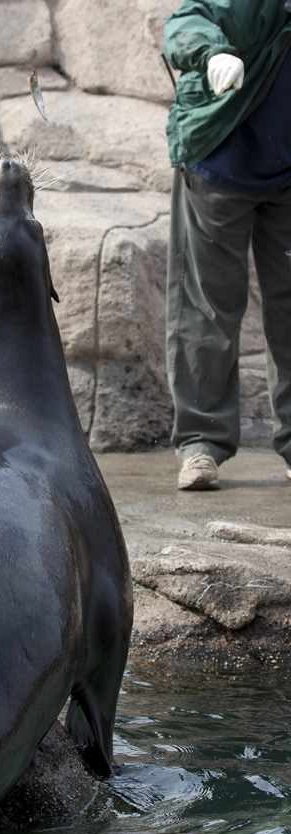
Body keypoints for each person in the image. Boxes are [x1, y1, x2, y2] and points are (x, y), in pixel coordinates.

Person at [163, 0, 291, 490]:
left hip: (286, 167)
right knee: (206, 308)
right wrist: (213, 51)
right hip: (220, 159)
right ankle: (200, 445)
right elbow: (185, 23)